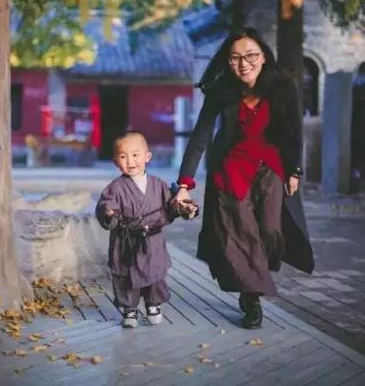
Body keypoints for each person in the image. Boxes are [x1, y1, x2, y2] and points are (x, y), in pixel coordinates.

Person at [173, 27, 314, 329]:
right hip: (231, 171)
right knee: (241, 235)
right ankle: (251, 298)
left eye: (251, 55)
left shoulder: (283, 86)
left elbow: (294, 132)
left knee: (271, 232)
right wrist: (184, 183)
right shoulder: (220, 91)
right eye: (235, 57)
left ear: (264, 57)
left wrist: (294, 169)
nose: (243, 63)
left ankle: (257, 270)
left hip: (270, 169)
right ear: (228, 61)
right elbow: (200, 138)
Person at [96, 131, 197, 328]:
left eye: (135, 155)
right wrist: (108, 213)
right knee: (126, 275)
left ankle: (153, 304)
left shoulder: (158, 184)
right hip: (126, 240)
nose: (130, 161)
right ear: (116, 161)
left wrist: (184, 208)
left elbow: (171, 204)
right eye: (123, 156)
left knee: (155, 274)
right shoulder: (115, 188)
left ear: (147, 157)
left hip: (152, 241)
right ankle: (129, 309)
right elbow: (106, 204)